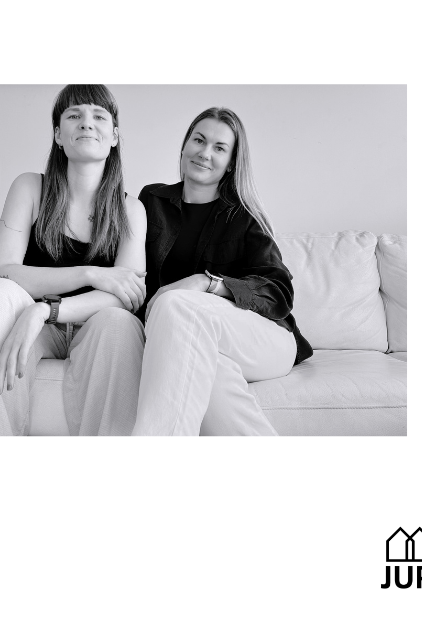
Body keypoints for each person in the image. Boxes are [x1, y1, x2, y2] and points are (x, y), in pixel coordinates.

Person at [0, 85, 147, 436]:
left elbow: (127, 296)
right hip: (31, 325)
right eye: (74, 115)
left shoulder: (131, 209)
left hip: (90, 326)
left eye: (99, 116)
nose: (86, 123)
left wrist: (45, 310)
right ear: (58, 135)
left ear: (114, 136)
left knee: (121, 324)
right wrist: (90, 273)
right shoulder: (30, 187)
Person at [133, 107, 313, 436]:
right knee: (201, 370)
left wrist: (206, 283)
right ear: (184, 146)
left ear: (231, 162)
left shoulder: (244, 216)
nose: (205, 153)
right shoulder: (151, 200)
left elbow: (278, 292)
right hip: (191, 337)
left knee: (176, 304)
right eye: (199, 140)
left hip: (265, 339)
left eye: (219, 148)